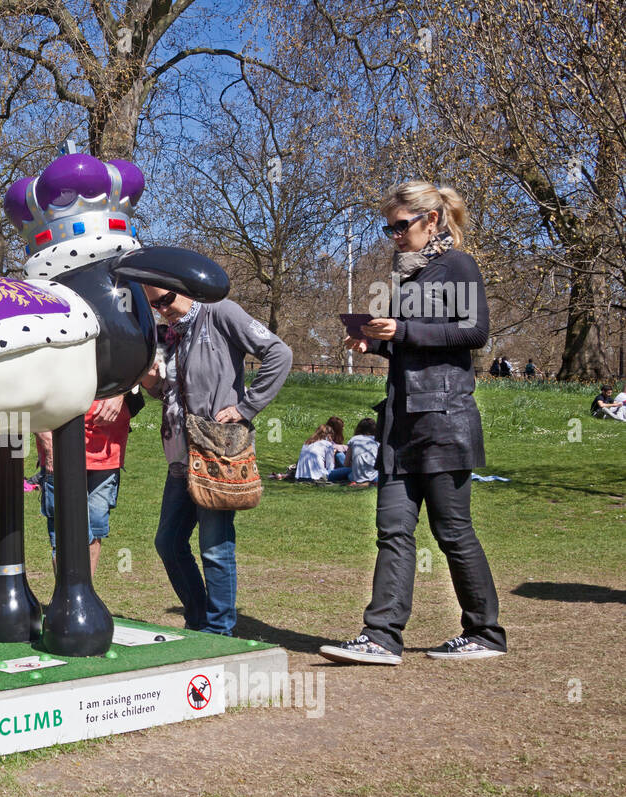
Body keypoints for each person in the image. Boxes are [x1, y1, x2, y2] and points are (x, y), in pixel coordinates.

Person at [320, 180, 507, 664]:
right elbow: (415, 343)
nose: (394, 236)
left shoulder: (458, 266)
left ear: (433, 220)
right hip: (400, 425)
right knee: (393, 530)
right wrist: (375, 342)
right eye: (389, 228)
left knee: (452, 532)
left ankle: (485, 632)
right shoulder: (415, 275)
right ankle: (381, 636)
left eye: (401, 226)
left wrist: (400, 329)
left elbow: (475, 332)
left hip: (444, 422)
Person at [142, 285, 292, 636]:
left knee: (214, 545)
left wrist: (246, 407)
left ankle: (219, 627)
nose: (163, 309)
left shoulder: (221, 313)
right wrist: (149, 379)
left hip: (215, 450)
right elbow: (167, 390)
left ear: (186, 289)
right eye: (154, 305)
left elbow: (279, 353)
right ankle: (198, 618)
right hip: (181, 455)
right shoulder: (170, 335)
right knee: (168, 542)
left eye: (167, 299)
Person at [35, 393, 132, 576]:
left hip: (107, 452)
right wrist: (48, 444)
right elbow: (31, 391)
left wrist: (120, 395)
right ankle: (65, 597)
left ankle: (85, 596)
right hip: (61, 451)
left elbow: (138, 370)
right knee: (63, 531)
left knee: (95, 528)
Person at [345, 417, 380, 485]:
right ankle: (368, 482)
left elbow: (346, 464)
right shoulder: (377, 441)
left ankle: (325, 475)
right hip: (374, 477)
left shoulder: (354, 439)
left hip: (356, 477)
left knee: (347, 471)